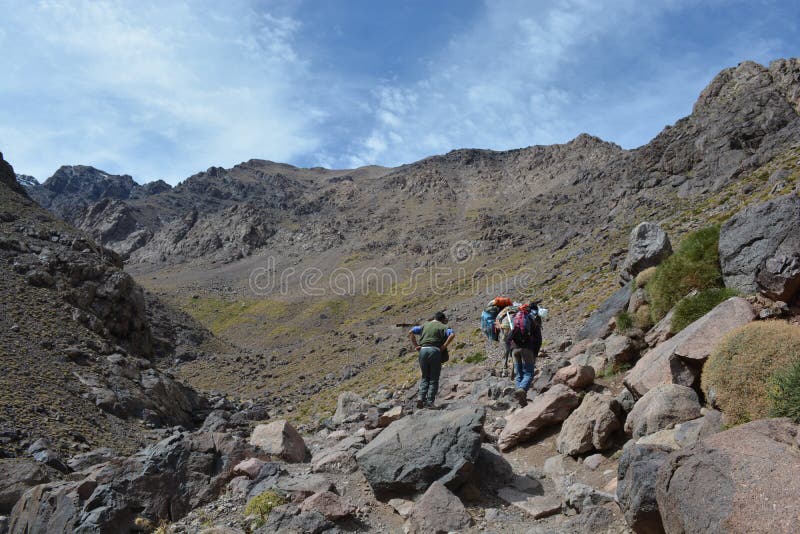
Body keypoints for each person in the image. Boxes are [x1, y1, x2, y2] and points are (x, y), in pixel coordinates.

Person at [408, 311, 455, 408]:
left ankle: (421, 397)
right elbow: (452, 335)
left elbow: (411, 331)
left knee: (425, 376)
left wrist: (416, 345)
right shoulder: (443, 327)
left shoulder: (425, 325)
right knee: (434, 378)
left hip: (423, 351)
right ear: (442, 319)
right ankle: (430, 402)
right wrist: (444, 346)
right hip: (435, 351)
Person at [506, 303, 542, 407]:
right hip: (527, 349)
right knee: (529, 373)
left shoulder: (513, 320)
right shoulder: (532, 320)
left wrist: (510, 351)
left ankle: (521, 398)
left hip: (514, 350)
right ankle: (522, 389)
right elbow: (539, 339)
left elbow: (508, 338)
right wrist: (535, 353)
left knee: (519, 374)